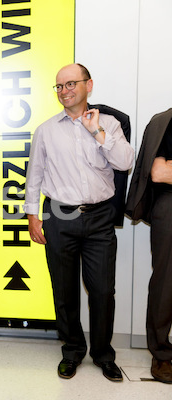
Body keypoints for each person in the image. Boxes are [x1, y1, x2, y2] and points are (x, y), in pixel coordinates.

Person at [25, 64, 134, 382]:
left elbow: (125, 162)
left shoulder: (110, 123)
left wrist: (96, 132)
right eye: (59, 86)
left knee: (102, 291)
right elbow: (35, 175)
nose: (64, 90)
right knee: (64, 289)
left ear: (89, 85)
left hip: (99, 218)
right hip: (59, 216)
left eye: (71, 84)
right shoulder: (45, 130)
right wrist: (33, 215)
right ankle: (72, 350)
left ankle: (102, 353)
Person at [126, 108, 172, 384]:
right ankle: (162, 354)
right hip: (170, 207)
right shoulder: (165, 122)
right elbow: (159, 172)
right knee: (166, 283)